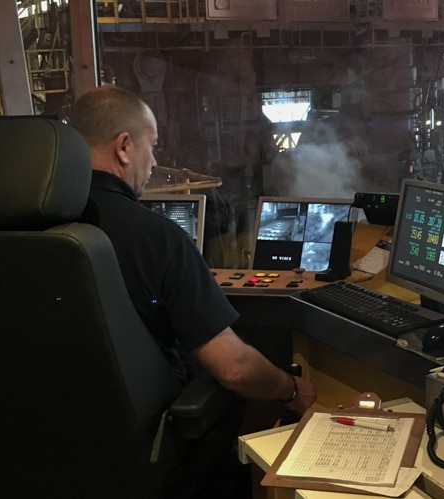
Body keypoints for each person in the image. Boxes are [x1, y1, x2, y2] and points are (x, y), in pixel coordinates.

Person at [69, 85, 316, 496]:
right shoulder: (154, 238)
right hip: (146, 463)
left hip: (30, 455)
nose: (154, 162)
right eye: (153, 146)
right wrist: (289, 389)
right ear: (125, 147)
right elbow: (233, 367)